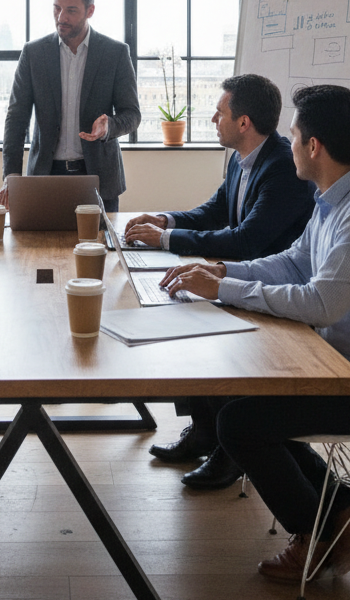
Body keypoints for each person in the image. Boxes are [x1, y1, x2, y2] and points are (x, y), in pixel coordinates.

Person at [160, 84, 350, 584]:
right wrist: (224, 273)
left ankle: (320, 532)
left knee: (241, 424)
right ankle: (346, 507)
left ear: (314, 147)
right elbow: (294, 262)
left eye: (292, 136)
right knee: (239, 399)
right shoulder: (335, 197)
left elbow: (320, 301)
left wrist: (226, 291)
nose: (286, 145)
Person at [124, 74, 315, 474]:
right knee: (179, 306)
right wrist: (166, 220)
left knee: (192, 315)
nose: (213, 118)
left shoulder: (283, 166)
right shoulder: (241, 158)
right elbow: (215, 211)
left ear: (243, 123)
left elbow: (246, 240)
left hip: (270, 286)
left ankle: (230, 450)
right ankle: (205, 431)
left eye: (220, 112)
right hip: (240, 278)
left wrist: (165, 240)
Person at [0, 0, 140, 214]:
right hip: (45, 175)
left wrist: (109, 126)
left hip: (98, 178)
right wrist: (11, 175)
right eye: (57, 8)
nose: (61, 18)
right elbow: (16, 118)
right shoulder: (34, 54)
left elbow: (132, 115)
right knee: (40, 251)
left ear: (90, 10)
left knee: (99, 249)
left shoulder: (115, 53)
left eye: (71, 10)